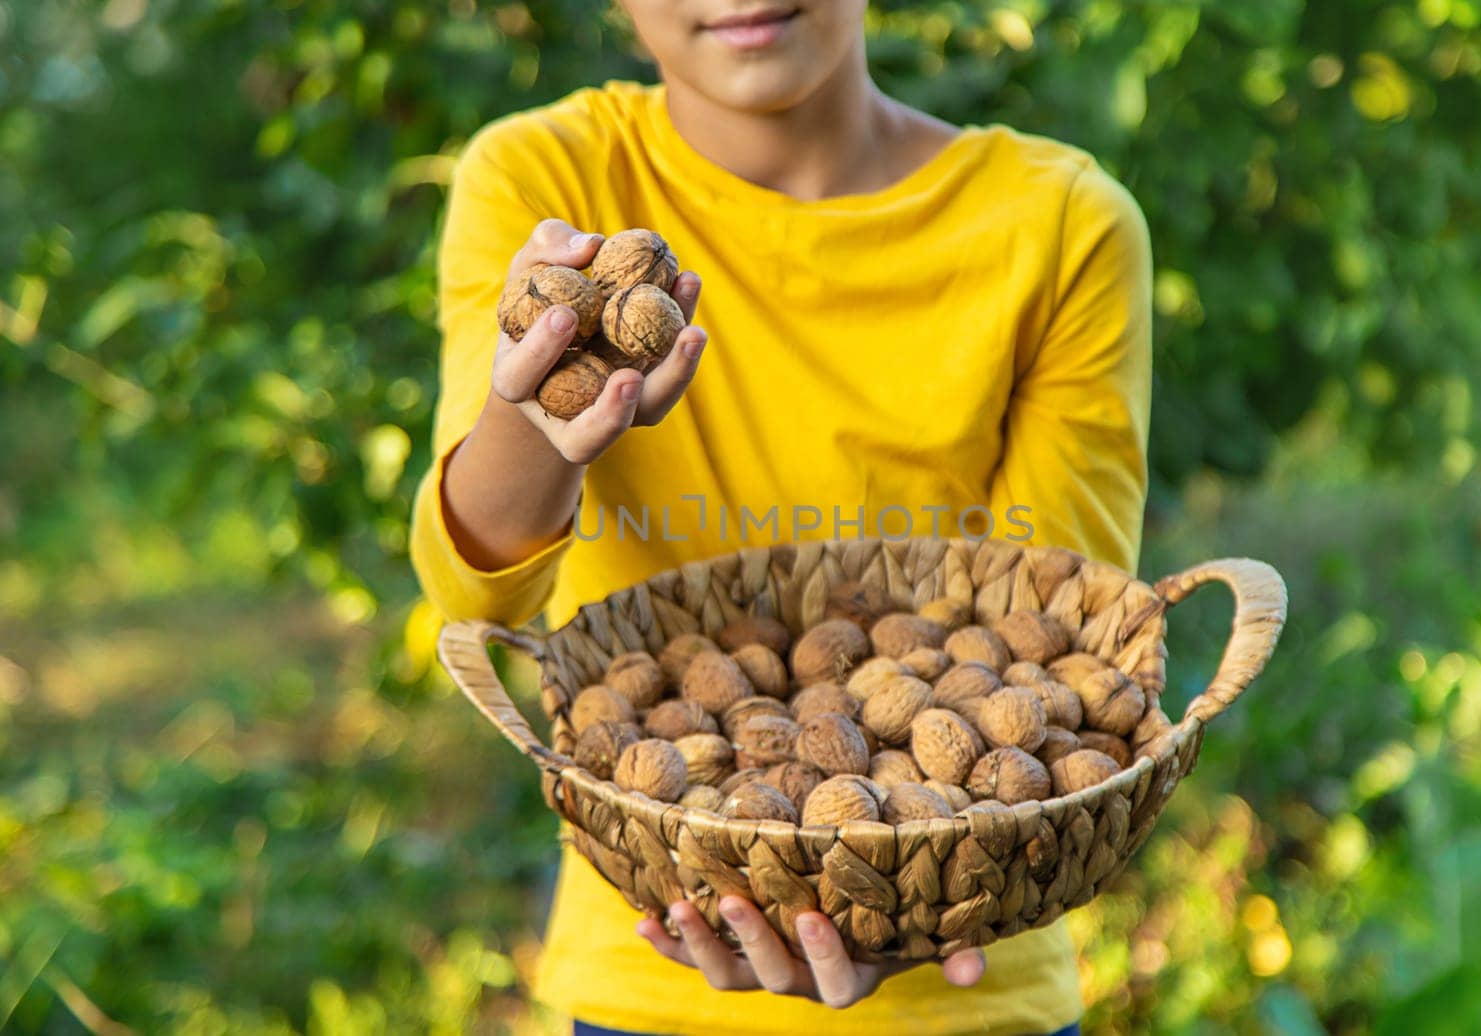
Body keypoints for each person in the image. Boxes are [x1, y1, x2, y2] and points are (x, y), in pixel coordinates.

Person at [409, 1, 1152, 1032]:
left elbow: (1060, 640)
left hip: (971, 956)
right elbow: (470, 585)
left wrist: (919, 889)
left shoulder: (1059, 221)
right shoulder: (548, 181)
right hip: (652, 960)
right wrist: (535, 412)